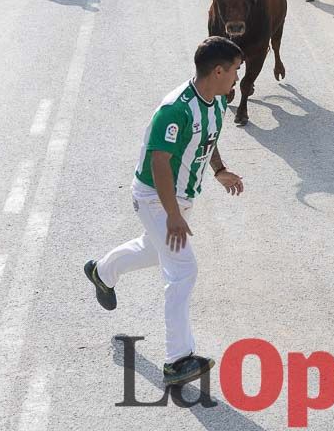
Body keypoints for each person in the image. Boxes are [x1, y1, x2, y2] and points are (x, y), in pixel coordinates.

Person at [85, 36, 246, 387]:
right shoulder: (175, 109)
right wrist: (172, 214)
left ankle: (102, 271)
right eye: (235, 70)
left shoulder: (216, 101)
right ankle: (178, 360)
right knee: (183, 271)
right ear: (218, 70)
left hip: (178, 199)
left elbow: (209, 139)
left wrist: (219, 171)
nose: (237, 77)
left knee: (151, 249)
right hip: (156, 198)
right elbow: (159, 163)